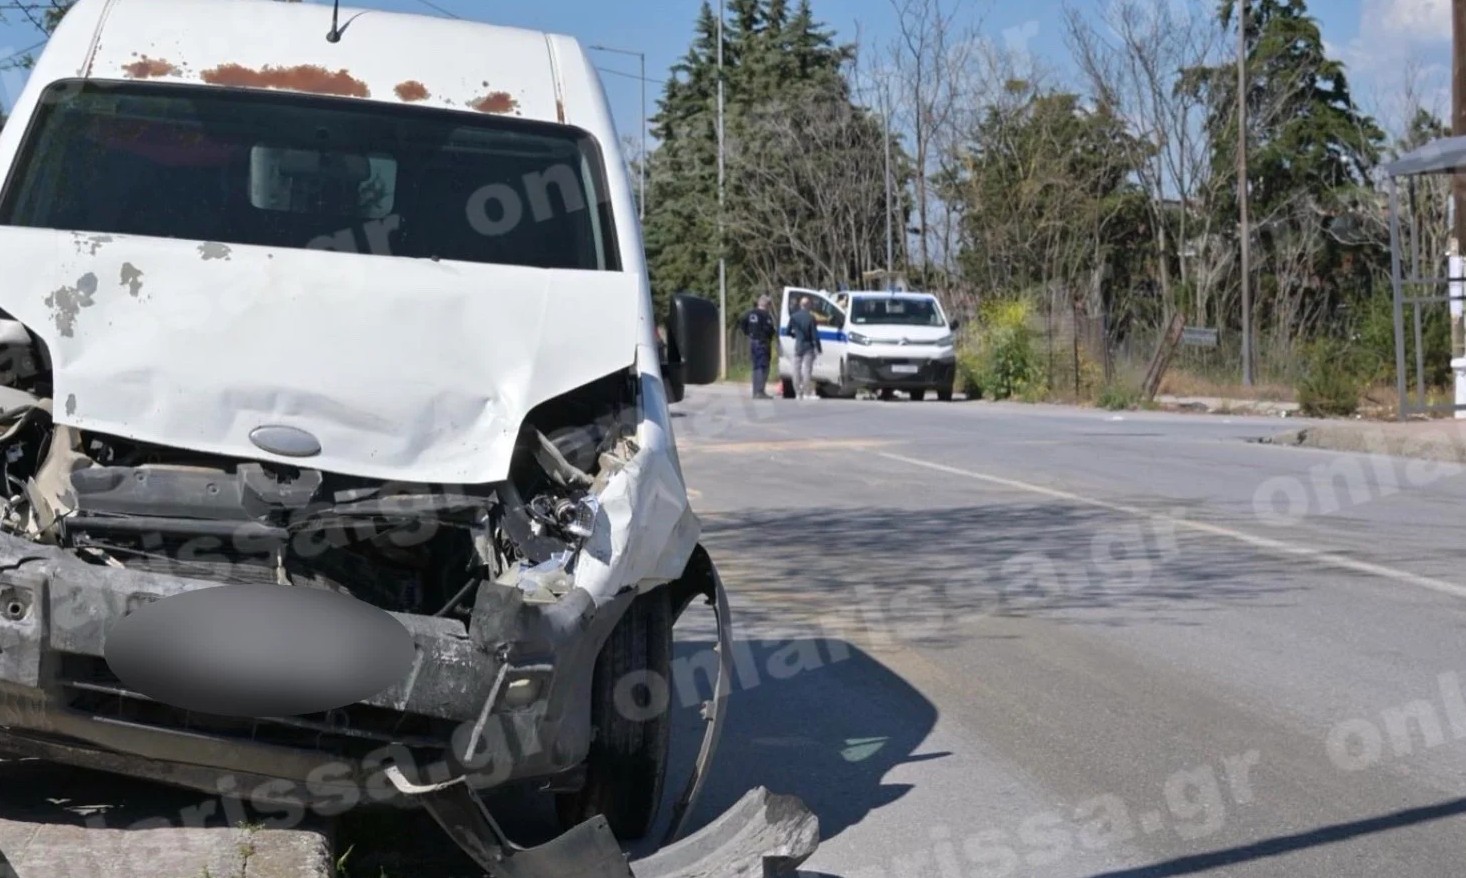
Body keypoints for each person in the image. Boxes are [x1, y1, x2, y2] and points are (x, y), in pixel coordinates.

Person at [739, 295, 777, 399]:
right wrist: (772, 333)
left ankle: (756, 391)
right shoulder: (766, 315)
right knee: (762, 366)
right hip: (762, 342)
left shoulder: (750, 313)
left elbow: (742, 323)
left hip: (753, 341)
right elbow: (769, 329)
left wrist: (748, 333)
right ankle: (760, 391)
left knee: (756, 366)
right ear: (767, 305)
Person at [787, 296, 823, 399]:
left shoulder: (793, 317)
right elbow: (815, 335)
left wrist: (795, 335)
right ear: (808, 305)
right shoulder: (811, 317)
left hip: (798, 345)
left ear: (800, 305)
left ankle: (798, 392)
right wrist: (819, 348)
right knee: (807, 369)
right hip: (808, 346)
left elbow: (787, 331)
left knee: (796, 369)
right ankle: (807, 392)